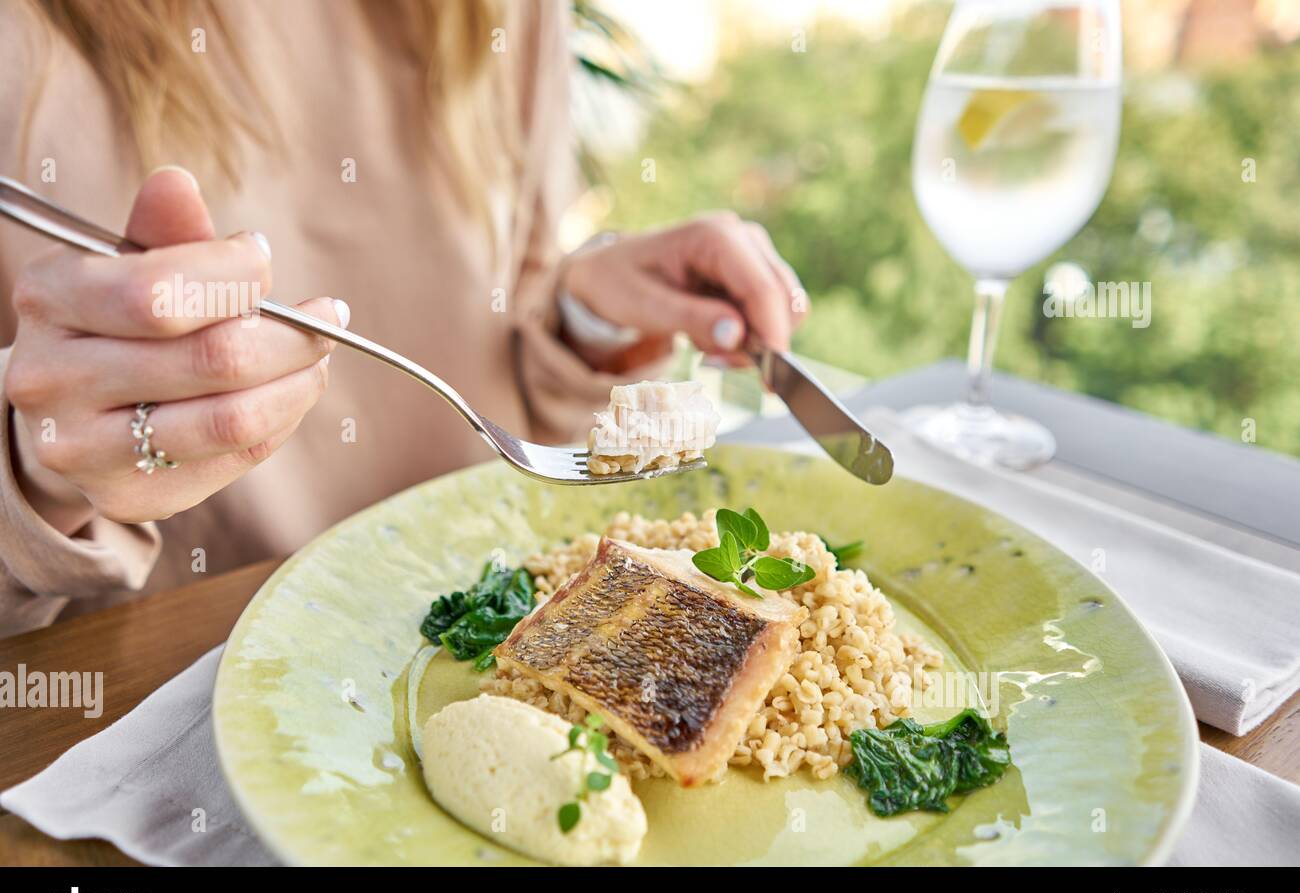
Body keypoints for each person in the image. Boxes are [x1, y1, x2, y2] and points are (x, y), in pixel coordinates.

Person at [0, 0, 805, 637]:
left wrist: (585, 316)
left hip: (486, 619)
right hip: (162, 699)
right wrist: (37, 473)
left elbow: (508, 336)